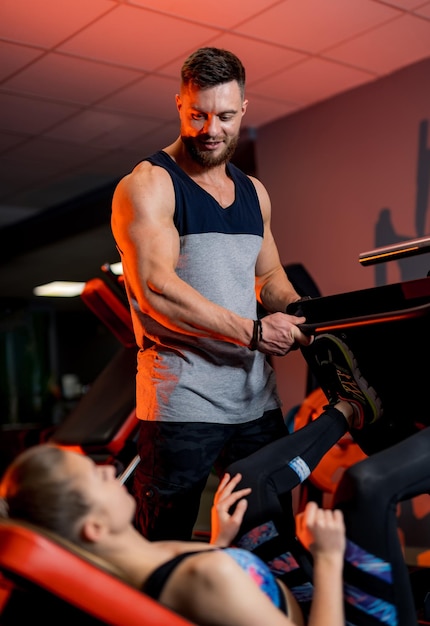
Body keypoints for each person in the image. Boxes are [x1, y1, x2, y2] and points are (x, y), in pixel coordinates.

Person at [0, 333, 386, 626]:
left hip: (268, 583)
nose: (109, 469)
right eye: (95, 479)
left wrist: (219, 542)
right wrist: (330, 557)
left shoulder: (144, 562)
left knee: (243, 479)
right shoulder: (207, 577)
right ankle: (349, 411)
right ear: (94, 527)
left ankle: (348, 410)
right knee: (371, 486)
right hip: (327, 609)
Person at [110, 46, 314, 541]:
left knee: (272, 532)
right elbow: (157, 289)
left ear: (243, 109)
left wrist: (303, 315)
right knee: (164, 541)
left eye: (224, 115)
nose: (211, 129)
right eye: (197, 115)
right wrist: (255, 331)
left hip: (255, 400)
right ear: (179, 105)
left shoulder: (254, 192)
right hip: (184, 403)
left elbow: (269, 277)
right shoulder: (150, 185)